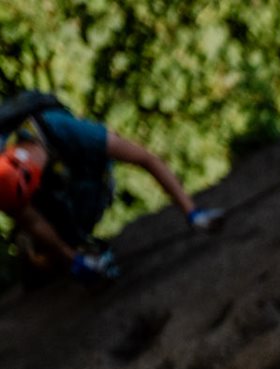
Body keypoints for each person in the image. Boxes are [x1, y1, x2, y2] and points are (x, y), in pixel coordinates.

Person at [0, 94, 222, 282]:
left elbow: (146, 158)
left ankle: (63, 246)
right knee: (46, 244)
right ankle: (58, 251)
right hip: (56, 193)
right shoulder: (6, 181)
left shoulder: (64, 129)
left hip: (86, 180)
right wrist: (76, 262)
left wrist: (192, 213)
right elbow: (32, 221)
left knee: (74, 203)